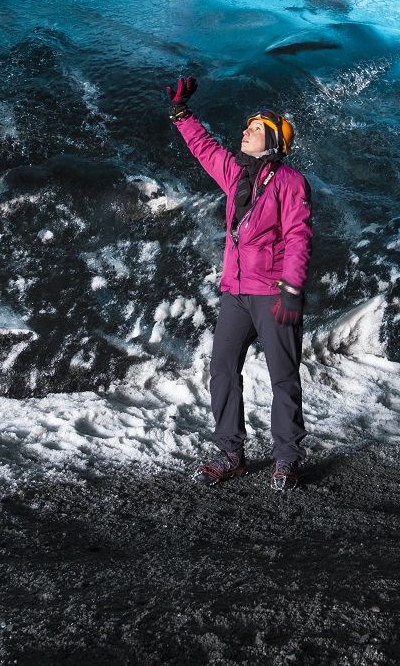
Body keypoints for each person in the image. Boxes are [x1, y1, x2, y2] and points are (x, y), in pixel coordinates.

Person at [168, 75, 313, 491]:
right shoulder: (235, 174)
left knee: (283, 376)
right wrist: (181, 113)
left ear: (271, 141)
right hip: (235, 292)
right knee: (222, 371)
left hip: (274, 294)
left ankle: (287, 459)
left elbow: (299, 236)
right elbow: (203, 146)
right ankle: (230, 453)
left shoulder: (290, 182)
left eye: (254, 130)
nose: (244, 133)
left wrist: (292, 288)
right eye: (246, 127)